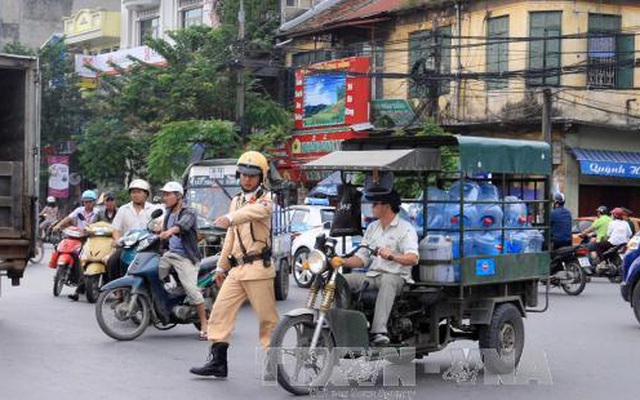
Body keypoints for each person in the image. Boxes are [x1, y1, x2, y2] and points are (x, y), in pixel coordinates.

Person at [190, 151, 278, 379]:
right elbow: (230, 237)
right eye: (243, 175)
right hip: (237, 270)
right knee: (219, 312)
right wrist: (221, 267)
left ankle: (275, 363)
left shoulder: (267, 199)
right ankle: (218, 362)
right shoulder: (236, 200)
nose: (247, 180)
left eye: (252, 176)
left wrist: (230, 218)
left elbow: (254, 212)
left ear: (261, 177)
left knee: (267, 320)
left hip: (258, 267)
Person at [330, 189, 419, 345]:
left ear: (387, 206)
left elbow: (413, 258)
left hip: (396, 277)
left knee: (388, 281)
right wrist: (342, 261)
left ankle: (378, 331)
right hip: (372, 276)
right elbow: (361, 259)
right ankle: (337, 323)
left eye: (375, 203)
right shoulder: (372, 227)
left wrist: (392, 255)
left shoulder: (405, 229)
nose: (372, 207)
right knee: (340, 280)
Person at [156, 181, 207, 339]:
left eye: (168, 194)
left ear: (178, 196)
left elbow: (182, 226)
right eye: (164, 194)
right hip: (170, 254)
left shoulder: (189, 212)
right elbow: (163, 229)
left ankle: (205, 325)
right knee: (154, 273)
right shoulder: (168, 212)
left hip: (186, 257)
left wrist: (170, 231)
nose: (165, 197)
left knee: (192, 291)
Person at [106, 179, 161, 283]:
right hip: (128, 246)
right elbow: (116, 229)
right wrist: (118, 241)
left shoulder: (154, 209)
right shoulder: (123, 209)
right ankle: (118, 290)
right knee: (112, 261)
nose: (136, 195)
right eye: (133, 192)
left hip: (148, 247)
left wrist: (158, 229)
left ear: (146, 194)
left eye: (139, 192)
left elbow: (160, 225)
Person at [51, 190, 99, 301]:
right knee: (62, 245)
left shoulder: (97, 213)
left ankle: (82, 284)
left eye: (90, 201)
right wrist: (58, 226)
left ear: (94, 202)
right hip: (77, 237)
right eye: (85, 201)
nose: (87, 204)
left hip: (91, 240)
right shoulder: (79, 211)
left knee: (83, 262)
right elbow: (68, 219)